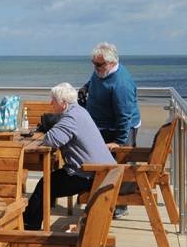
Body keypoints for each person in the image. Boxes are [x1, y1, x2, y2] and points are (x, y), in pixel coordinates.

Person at [23, 83, 116, 230]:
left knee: (45, 184)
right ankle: (30, 221)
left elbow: (51, 140)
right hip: (103, 172)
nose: (50, 103)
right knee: (50, 181)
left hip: (88, 175)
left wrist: (51, 126)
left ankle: (29, 225)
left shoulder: (70, 118)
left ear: (64, 103)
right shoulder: (81, 111)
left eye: (53, 100)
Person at [84, 42, 141, 148]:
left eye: (98, 64)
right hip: (102, 125)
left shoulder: (122, 85)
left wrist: (119, 142)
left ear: (111, 63)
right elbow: (93, 79)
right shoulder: (101, 70)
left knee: (116, 162)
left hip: (116, 130)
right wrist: (85, 88)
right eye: (93, 62)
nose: (95, 67)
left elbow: (125, 116)